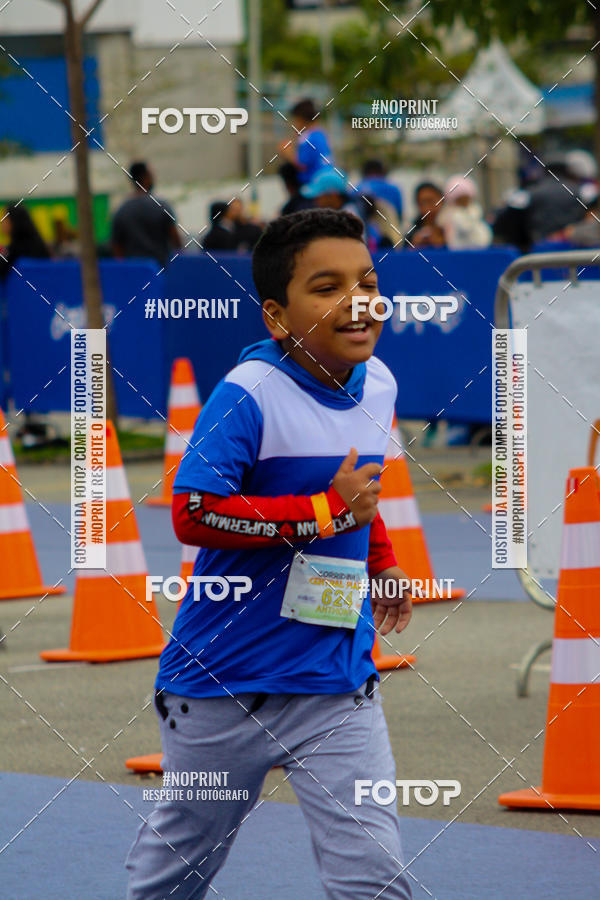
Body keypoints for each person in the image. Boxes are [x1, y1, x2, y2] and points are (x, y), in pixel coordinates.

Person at [125, 208, 414, 900]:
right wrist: (323, 514)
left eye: (367, 280)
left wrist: (380, 560)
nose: (357, 299)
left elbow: (358, 489)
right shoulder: (247, 395)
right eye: (327, 286)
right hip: (223, 687)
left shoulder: (380, 384)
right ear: (277, 318)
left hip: (337, 683)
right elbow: (195, 512)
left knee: (375, 876)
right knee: (175, 874)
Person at [492, 151, 596, 252]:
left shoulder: (529, 193)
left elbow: (503, 224)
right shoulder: (583, 192)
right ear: (567, 170)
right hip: (576, 254)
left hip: (539, 254)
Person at [111, 161, 181, 266]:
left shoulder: (121, 210)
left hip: (134, 272)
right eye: (151, 175)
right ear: (145, 177)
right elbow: (176, 242)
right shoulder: (162, 207)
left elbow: (116, 246)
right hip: (161, 271)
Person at [279, 98, 333, 185]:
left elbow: (301, 164)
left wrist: (287, 153)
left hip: (314, 184)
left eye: (295, 120)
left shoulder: (307, 137)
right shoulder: (321, 134)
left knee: (286, 170)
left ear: (300, 119)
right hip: (327, 180)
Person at [437, 176, 491, 249]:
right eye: (459, 199)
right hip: (457, 247)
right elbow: (441, 222)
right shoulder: (450, 211)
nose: (463, 202)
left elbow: (467, 227)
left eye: (465, 199)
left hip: (478, 245)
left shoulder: (474, 209)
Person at [0, 204, 50, 278]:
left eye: (5, 218)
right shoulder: (37, 243)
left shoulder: (19, 248)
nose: (2, 222)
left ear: (14, 220)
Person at [301, 168, 365, 221]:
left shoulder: (350, 216)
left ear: (333, 196)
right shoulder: (338, 214)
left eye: (318, 196)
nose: (315, 200)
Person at [403, 181, 445, 249]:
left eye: (430, 201)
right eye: (422, 203)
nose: (427, 208)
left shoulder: (453, 228)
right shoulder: (411, 234)